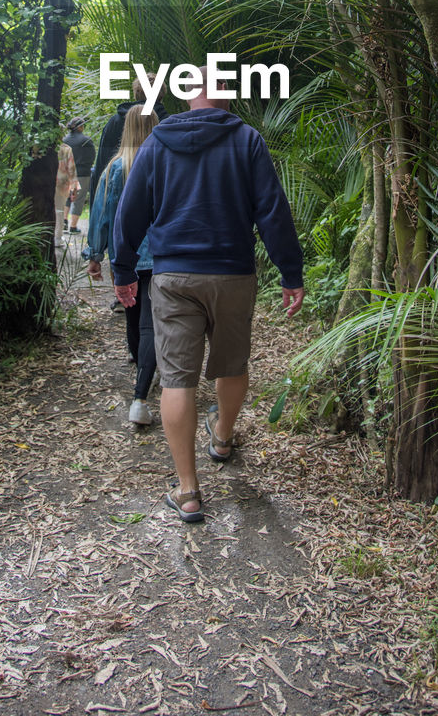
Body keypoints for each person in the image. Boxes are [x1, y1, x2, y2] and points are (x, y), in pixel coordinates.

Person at [111, 69, 304, 523]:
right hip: (233, 275)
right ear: (228, 99)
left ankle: (188, 490)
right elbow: (272, 211)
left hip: (174, 274)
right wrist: (290, 272)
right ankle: (222, 437)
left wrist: (123, 268)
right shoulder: (248, 140)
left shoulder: (159, 141)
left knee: (178, 379)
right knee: (232, 363)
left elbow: (132, 209)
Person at [86, 109, 159, 425]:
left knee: (134, 315)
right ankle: (143, 384)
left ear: (125, 129)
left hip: (125, 257)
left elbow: (101, 215)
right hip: (160, 257)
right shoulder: (166, 165)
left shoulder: (114, 169)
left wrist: (95, 254)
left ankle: (139, 363)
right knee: (151, 323)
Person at [89, 73, 168, 209]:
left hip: (118, 201)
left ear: (136, 94)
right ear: (161, 95)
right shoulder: (168, 123)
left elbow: (102, 165)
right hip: (159, 202)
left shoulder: (115, 122)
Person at [62, 116, 95, 234]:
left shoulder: (64, 140)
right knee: (79, 199)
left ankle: (64, 221)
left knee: (66, 196)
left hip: (66, 172)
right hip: (82, 172)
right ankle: (73, 226)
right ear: (80, 127)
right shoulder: (86, 140)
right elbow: (92, 156)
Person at [54, 136, 78, 246]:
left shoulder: (41, 146)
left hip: (44, 183)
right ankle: (57, 238)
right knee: (59, 210)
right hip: (61, 184)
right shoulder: (66, 149)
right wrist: (74, 188)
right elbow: (71, 169)